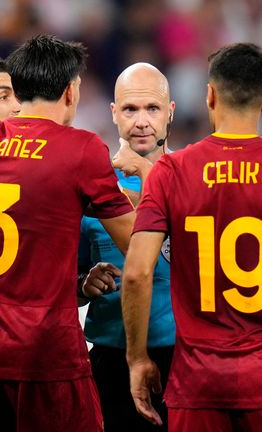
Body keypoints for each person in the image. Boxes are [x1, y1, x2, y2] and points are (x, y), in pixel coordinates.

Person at [122, 42, 262, 431]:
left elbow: (136, 274)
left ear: (209, 95)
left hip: (199, 382)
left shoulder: (171, 172)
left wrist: (137, 358)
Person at [0, 34, 135, 431]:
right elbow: (137, 243)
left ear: (16, 90)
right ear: (70, 91)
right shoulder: (81, 149)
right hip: (47, 354)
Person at [78, 62, 175, 431]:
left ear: (171, 112)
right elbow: (68, 283)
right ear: (114, 114)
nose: (141, 121)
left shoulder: (197, 178)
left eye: (152, 109)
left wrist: (151, 175)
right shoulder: (92, 190)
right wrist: (83, 284)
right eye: (131, 110)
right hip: (110, 362)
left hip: (185, 360)